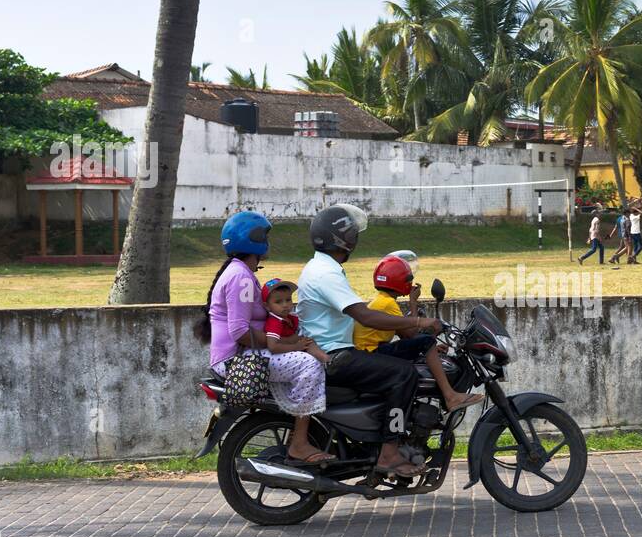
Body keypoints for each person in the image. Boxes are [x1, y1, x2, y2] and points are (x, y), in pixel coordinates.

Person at [297, 204, 444, 478]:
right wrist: (418, 322)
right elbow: (366, 316)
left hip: (332, 351)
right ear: (342, 238)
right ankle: (389, 454)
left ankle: (387, 440)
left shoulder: (320, 267)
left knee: (392, 361)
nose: (355, 237)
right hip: (336, 356)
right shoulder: (325, 273)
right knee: (403, 375)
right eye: (352, 232)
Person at [195, 211, 332, 464]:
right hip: (237, 360)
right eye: (265, 236)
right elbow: (239, 331)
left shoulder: (240, 273)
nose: (268, 242)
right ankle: (299, 443)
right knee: (309, 365)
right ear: (254, 240)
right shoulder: (241, 278)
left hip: (244, 354)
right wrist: (286, 344)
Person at [354, 253, 482, 412]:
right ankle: (450, 396)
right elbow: (411, 334)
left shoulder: (381, 299)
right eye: (408, 280)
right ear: (398, 281)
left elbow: (404, 336)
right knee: (425, 341)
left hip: (370, 352)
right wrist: (413, 302)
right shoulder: (387, 303)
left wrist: (431, 351)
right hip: (372, 353)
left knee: (426, 344)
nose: (411, 283)